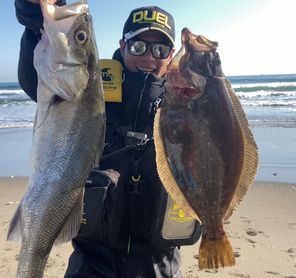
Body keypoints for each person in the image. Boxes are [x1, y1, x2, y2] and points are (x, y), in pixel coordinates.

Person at [15, 1, 196, 277]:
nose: (148, 57)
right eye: (137, 47)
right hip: (92, 260)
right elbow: (35, 73)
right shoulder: (91, 89)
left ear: (171, 56)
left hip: (159, 264)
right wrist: (35, 15)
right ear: (122, 47)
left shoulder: (183, 106)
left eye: (159, 50)